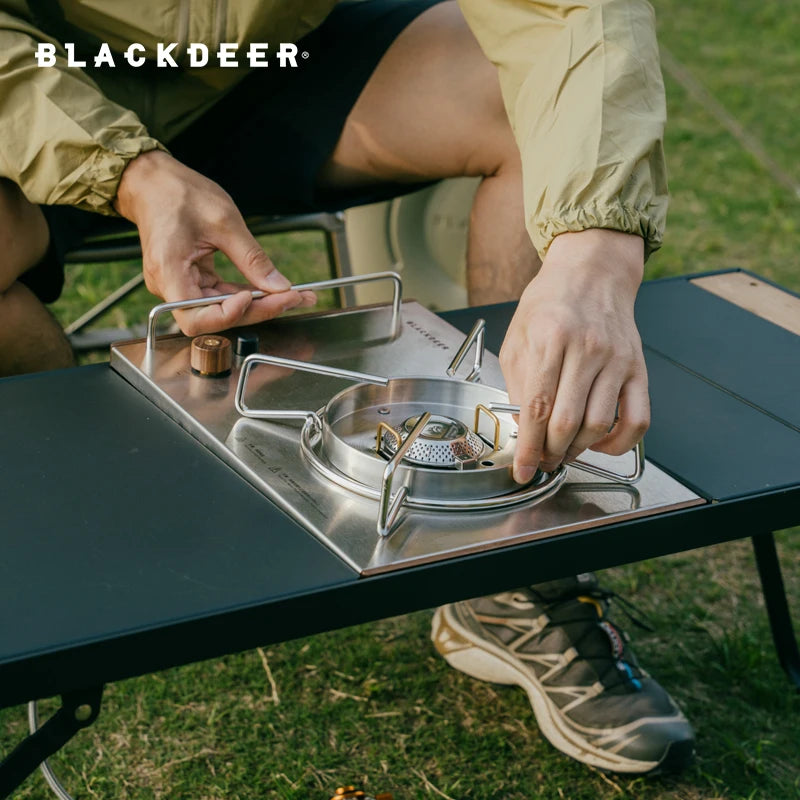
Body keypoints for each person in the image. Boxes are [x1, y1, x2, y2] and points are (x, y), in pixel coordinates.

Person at [0, 0, 693, 775]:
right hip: (48, 80)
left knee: (533, 107)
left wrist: (594, 251)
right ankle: (52, 569)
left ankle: (516, 572)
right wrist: (131, 170)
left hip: (278, 63)